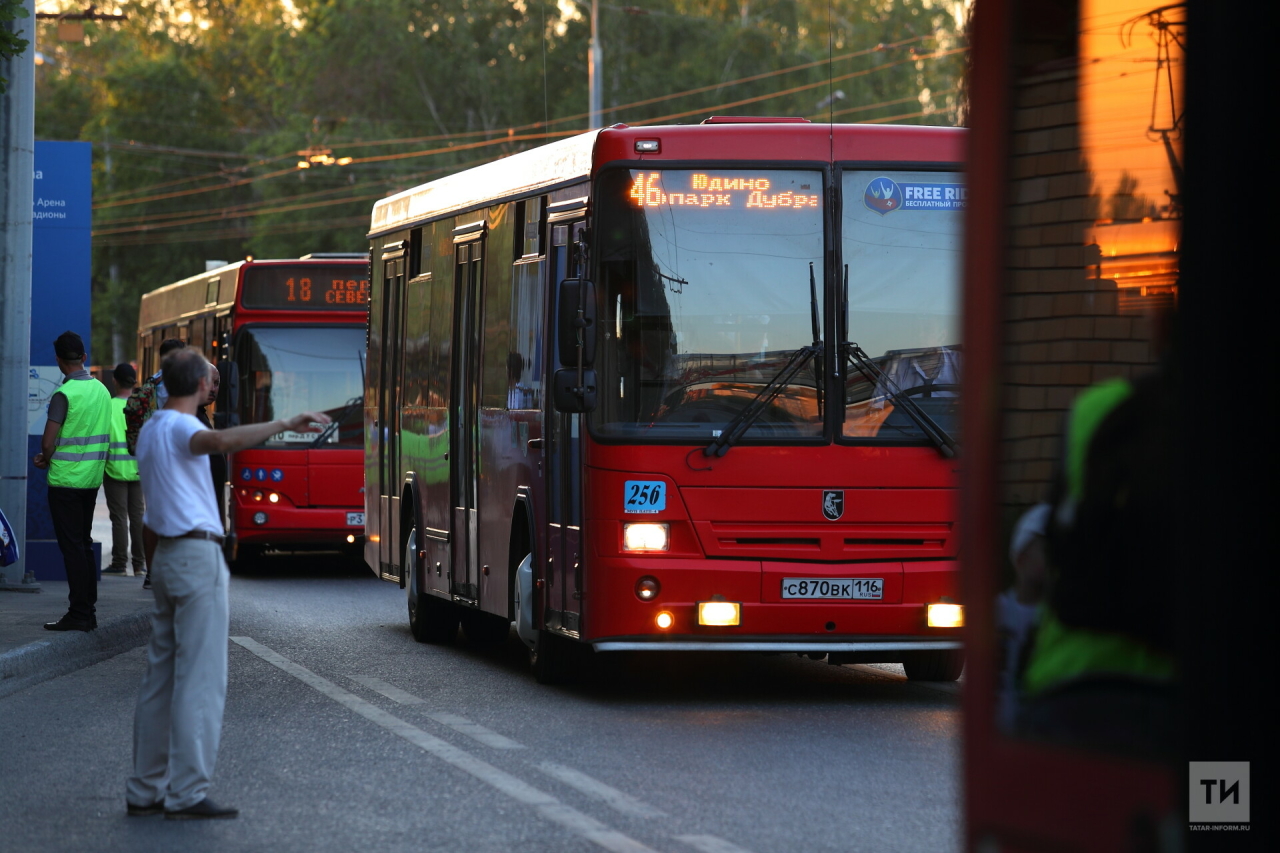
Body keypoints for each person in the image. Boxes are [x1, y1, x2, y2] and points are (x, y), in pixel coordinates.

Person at [125, 348, 330, 820]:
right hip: (196, 555)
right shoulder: (183, 427)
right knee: (200, 678)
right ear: (199, 385)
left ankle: (144, 788)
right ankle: (187, 793)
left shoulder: (152, 427)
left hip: (168, 557)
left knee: (160, 677)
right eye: (209, 382)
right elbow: (219, 444)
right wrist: (283, 424)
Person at [32, 331, 113, 632]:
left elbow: (48, 441)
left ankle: (79, 612)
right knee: (83, 544)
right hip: (91, 481)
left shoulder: (64, 395)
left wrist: (45, 457)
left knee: (72, 548)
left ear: (57, 361)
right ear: (83, 358)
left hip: (65, 482)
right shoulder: (103, 391)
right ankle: (87, 612)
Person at [127, 338, 187, 590]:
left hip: (152, 456)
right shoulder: (183, 385)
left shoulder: (151, 383)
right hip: (177, 457)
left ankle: (152, 572)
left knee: (153, 515)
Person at [103, 363, 145, 577]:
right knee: (137, 517)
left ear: (115, 381)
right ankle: (139, 564)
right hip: (139, 470)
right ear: (134, 381)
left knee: (119, 517)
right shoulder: (141, 406)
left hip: (114, 469)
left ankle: (120, 562)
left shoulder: (108, 407)